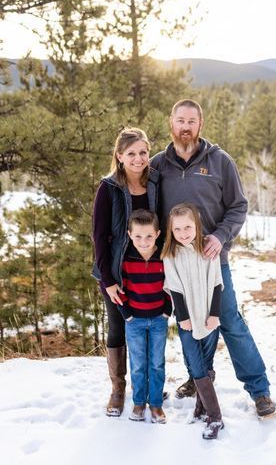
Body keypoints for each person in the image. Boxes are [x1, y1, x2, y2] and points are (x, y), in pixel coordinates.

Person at [151, 99, 276, 420]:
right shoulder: (157, 165)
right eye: (180, 120)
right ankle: (201, 379)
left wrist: (220, 236)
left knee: (230, 322)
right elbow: (148, 211)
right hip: (177, 263)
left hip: (212, 260)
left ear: (200, 124)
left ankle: (259, 390)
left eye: (191, 121)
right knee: (191, 323)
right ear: (171, 122)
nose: (185, 126)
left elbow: (238, 206)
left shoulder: (220, 161)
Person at [92, 127, 159, 417]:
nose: (138, 158)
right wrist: (107, 280)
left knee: (147, 330)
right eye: (131, 153)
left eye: (143, 152)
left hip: (150, 271)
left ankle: (145, 389)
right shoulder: (109, 188)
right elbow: (99, 236)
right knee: (119, 327)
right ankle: (118, 390)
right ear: (119, 156)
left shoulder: (156, 182)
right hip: (118, 273)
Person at [162, 202, 224, 440]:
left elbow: (217, 282)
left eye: (187, 227)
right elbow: (175, 288)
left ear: (196, 225)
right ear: (171, 231)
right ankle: (215, 416)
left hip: (209, 316)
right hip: (187, 320)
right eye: (177, 229)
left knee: (206, 363)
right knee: (195, 364)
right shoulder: (171, 254)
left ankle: (202, 409)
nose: (183, 233)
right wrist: (184, 318)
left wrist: (214, 314)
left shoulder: (207, 249)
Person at [118, 209, 171, 424]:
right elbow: (120, 289)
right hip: (135, 321)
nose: (143, 241)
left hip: (159, 318)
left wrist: (168, 311)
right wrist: (127, 314)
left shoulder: (164, 257)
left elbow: (171, 286)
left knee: (157, 363)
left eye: (149, 236)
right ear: (130, 234)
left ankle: (156, 404)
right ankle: (139, 402)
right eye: (138, 236)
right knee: (138, 363)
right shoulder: (126, 258)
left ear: (157, 234)